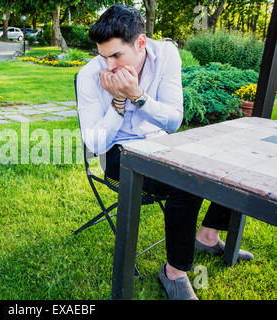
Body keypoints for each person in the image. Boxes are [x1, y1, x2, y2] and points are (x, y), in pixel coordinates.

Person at [76, 4, 254, 300]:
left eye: (117, 55)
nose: (108, 66)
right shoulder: (89, 75)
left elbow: (173, 120)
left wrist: (138, 96)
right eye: (102, 55)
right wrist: (118, 104)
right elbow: (95, 145)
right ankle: (174, 273)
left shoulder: (166, 55)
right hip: (117, 153)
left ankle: (208, 235)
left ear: (141, 43)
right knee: (186, 181)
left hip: (160, 142)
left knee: (231, 160)